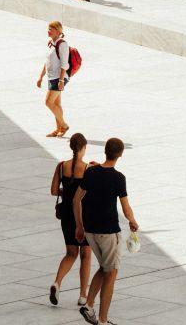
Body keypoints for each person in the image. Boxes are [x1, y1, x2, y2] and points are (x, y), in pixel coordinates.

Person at [72, 137, 138, 325]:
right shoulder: (118, 178)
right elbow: (126, 209)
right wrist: (133, 221)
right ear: (120, 154)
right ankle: (102, 320)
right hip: (108, 232)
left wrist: (79, 225)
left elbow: (76, 199)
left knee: (104, 267)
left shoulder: (91, 172)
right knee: (112, 273)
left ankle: (88, 306)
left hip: (90, 230)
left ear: (105, 151)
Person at [49, 133, 92, 313]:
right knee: (86, 254)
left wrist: (67, 190)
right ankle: (83, 294)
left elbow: (53, 191)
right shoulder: (88, 169)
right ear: (83, 148)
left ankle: (57, 282)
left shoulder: (61, 167)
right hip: (84, 215)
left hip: (67, 214)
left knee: (71, 253)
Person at [37, 21, 73, 137]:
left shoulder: (62, 45)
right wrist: (40, 77)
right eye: (48, 29)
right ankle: (58, 129)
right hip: (51, 77)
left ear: (58, 31)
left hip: (58, 78)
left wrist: (61, 81)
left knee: (48, 102)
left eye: (51, 29)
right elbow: (47, 61)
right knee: (56, 105)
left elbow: (64, 64)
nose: (48, 31)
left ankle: (64, 125)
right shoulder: (51, 43)